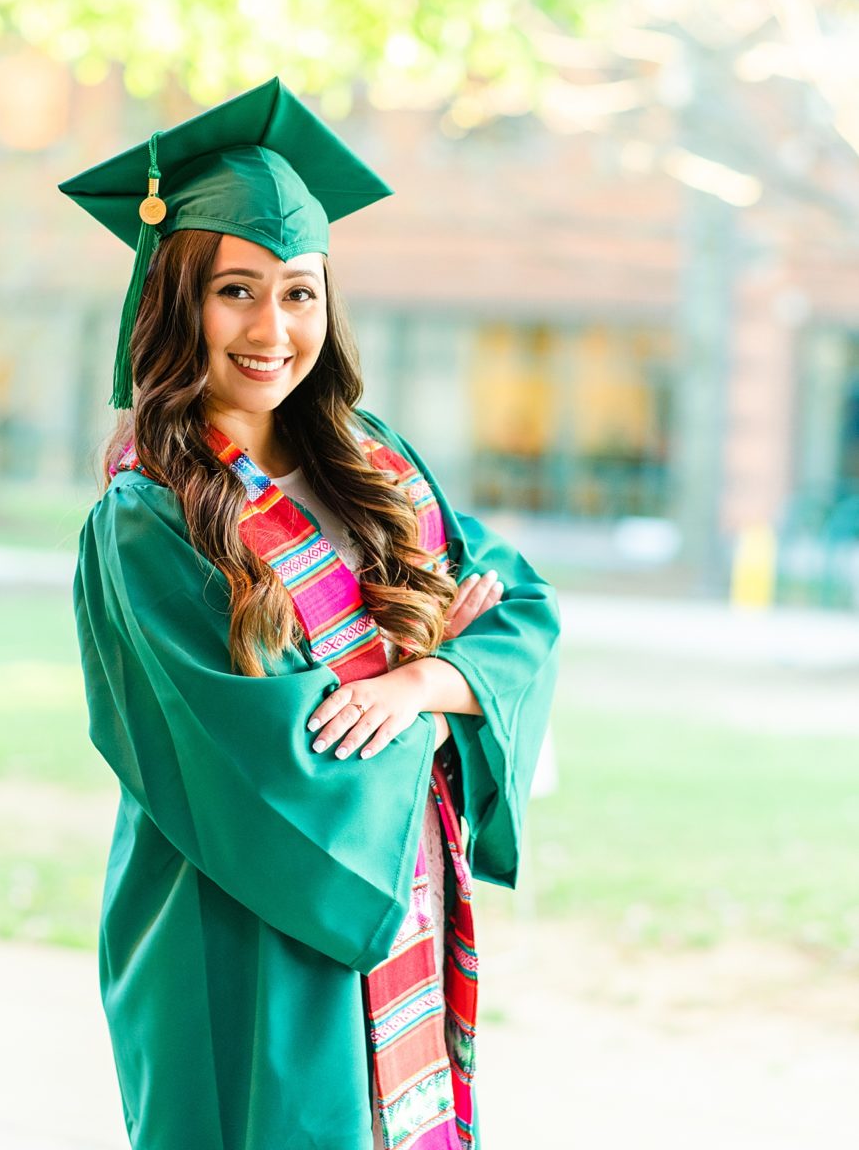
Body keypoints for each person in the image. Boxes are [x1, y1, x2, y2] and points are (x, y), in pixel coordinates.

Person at [62, 76, 561, 1150]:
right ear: (174, 298)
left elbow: (512, 600)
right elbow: (266, 764)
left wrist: (423, 679)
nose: (272, 327)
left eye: (299, 291)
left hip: (400, 908)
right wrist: (434, 699)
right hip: (247, 923)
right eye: (235, 290)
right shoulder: (153, 515)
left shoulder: (369, 459)